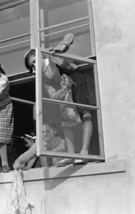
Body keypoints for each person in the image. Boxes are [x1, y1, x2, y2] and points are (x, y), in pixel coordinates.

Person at [24, 33, 96, 166]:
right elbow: (52, 95)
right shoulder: (43, 77)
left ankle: (84, 151)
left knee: (85, 115)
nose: (34, 66)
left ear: (39, 55)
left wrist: (61, 47)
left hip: (78, 83)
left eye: (34, 61)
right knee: (66, 123)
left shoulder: (51, 55)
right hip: (67, 93)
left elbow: (69, 36)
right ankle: (71, 154)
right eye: (32, 66)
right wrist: (63, 90)